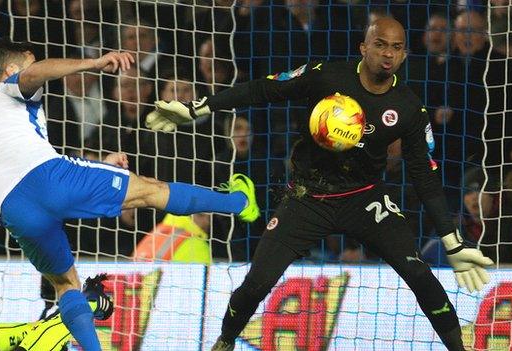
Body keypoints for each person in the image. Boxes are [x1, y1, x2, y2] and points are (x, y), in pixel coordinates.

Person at [146, 17, 494, 351]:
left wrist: (452, 241)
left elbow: (425, 177)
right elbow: (265, 88)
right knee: (256, 283)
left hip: (364, 198)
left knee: (420, 275)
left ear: (404, 54)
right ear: (364, 47)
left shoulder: (408, 108)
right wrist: (199, 108)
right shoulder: (327, 76)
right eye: (380, 45)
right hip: (309, 197)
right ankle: (224, 340)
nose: (388, 54)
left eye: (396, 48)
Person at [0, 38, 260, 351]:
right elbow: (42, 167)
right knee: (150, 190)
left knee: (67, 286)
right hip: (46, 180)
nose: (34, 67)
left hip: (15, 212)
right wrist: (94, 63)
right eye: (30, 61)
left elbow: (22, 161)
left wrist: (95, 166)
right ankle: (240, 202)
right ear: (11, 69)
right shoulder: (7, 88)